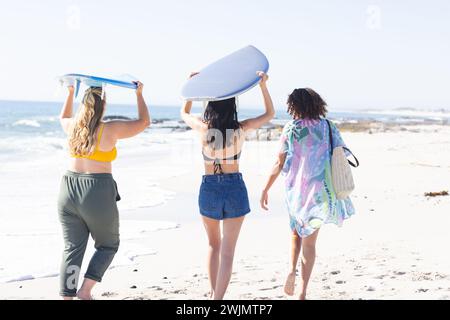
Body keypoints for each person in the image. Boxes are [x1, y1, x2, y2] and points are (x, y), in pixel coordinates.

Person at [180, 71, 275, 299]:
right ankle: (217, 298)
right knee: (228, 252)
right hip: (234, 187)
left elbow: (183, 112)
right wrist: (262, 86)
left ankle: (214, 294)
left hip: (209, 186)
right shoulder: (241, 129)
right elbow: (270, 114)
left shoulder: (203, 129)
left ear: (210, 105)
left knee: (214, 245)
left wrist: (192, 86)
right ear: (232, 105)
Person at [260, 88, 355, 300]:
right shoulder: (328, 127)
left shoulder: (291, 128)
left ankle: (291, 270)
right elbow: (342, 153)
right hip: (320, 193)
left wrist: (266, 188)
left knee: (295, 233)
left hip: (296, 192)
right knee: (310, 243)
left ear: (295, 106)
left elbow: (279, 162)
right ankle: (302, 291)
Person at [58, 82, 150, 299]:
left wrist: (70, 92)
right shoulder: (110, 128)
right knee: (108, 245)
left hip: (68, 189)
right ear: (103, 105)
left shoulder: (72, 127)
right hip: (96, 190)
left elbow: (63, 117)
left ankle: (66, 295)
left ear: (84, 104)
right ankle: (85, 290)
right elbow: (144, 122)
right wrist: (139, 94)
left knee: (72, 248)